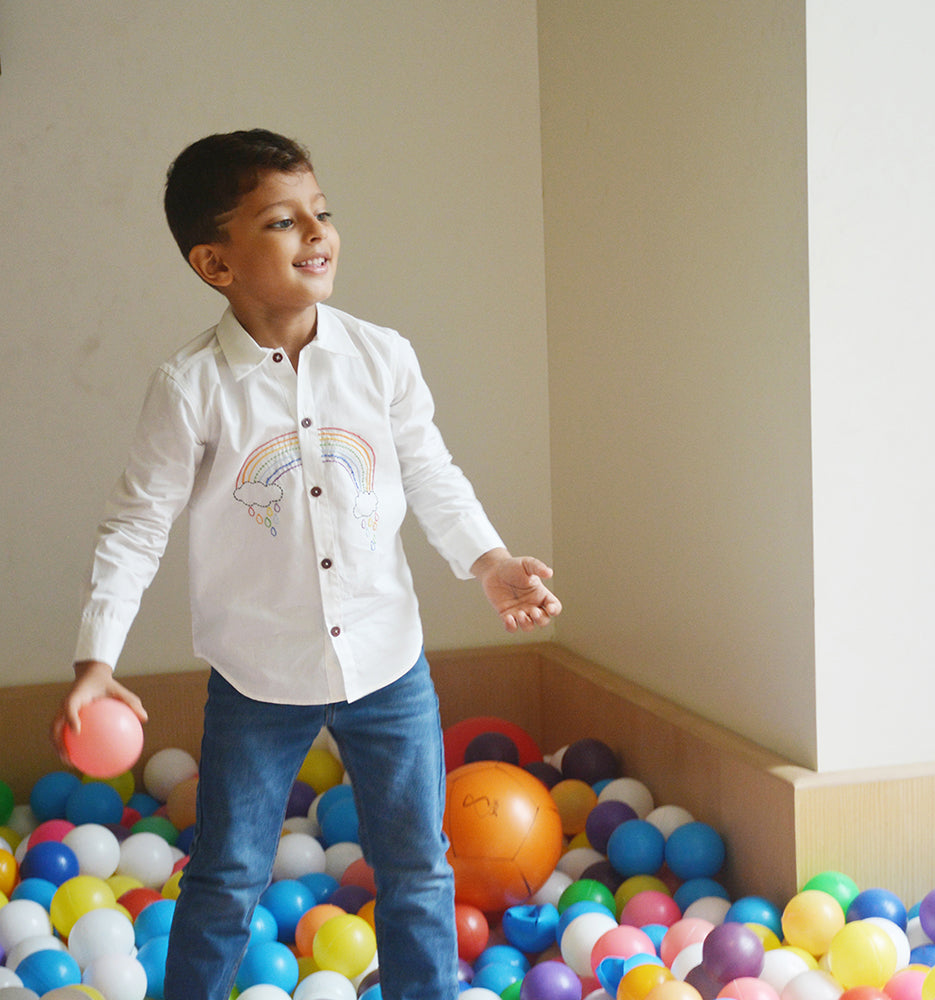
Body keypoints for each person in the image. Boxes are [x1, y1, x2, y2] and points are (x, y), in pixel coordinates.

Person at [51, 128, 561, 1000]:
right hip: (260, 677)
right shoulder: (192, 388)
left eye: (321, 213)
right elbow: (137, 525)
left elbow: (430, 470)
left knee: (417, 868)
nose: (318, 234)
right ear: (217, 263)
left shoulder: (381, 356)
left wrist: (488, 560)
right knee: (226, 875)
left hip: (386, 659)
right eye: (283, 223)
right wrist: (97, 658)